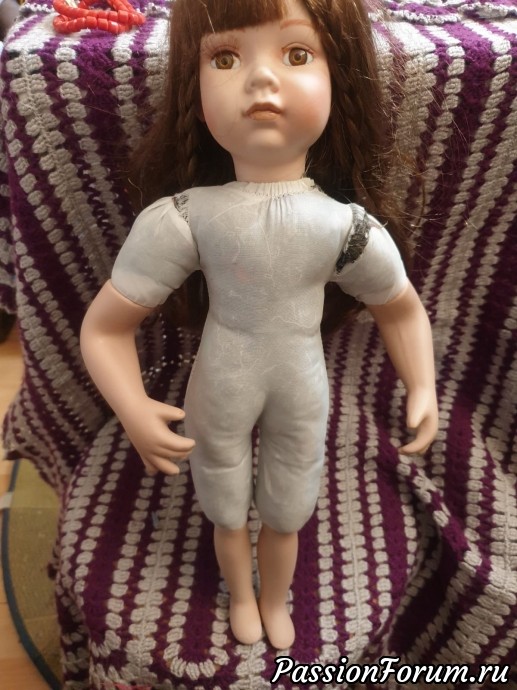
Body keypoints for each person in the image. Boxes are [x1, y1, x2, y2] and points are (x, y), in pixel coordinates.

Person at [80, 0, 438, 651]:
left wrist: (422, 386)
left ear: (337, 80)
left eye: (296, 54)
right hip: (223, 382)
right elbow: (106, 327)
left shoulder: (345, 227)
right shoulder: (185, 218)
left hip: (299, 385)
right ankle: (241, 597)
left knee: (289, 504)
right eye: (225, 57)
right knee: (223, 501)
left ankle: (273, 597)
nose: (261, 78)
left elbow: (400, 307)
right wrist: (131, 405)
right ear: (195, 94)